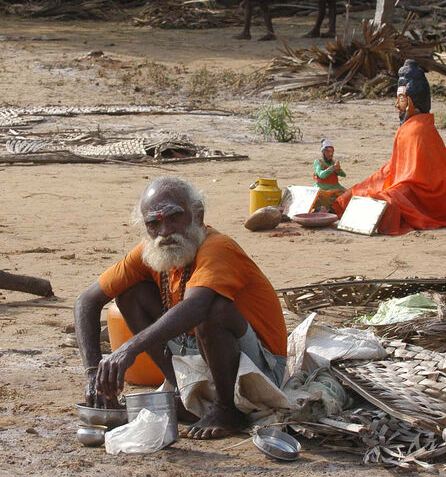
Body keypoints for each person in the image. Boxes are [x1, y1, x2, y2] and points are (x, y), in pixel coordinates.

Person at [74, 176, 287, 440]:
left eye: (174, 218)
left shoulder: (218, 247)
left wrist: (129, 348)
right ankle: (182, 390)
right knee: (130, 294)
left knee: (212, 310)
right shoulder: (150, 253)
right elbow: (86, 301)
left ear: (198, 215)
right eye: (154, 223)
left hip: (263, 370)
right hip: (206, 355)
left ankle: (227, 409)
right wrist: (92, 373)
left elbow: (196, 307)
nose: (165, 232)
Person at [332, 60, 446, 235]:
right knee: (367, 188)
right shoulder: (414, 127)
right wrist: (352, 193)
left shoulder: (418, 130)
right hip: (412, 185)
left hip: (431, 197)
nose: (396, 105)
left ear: (411, 103)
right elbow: (394, 169)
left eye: (400, 100)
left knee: (387, 197)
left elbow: (413, 179)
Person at [313, 139, 345, 210]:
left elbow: (344, 175)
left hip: (335, 187)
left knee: (347, 194)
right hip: (322, 188)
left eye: (331, 152)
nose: (330, 154)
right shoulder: (318, 162)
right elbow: (322, 175)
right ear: (323, 152)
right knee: (323, 199)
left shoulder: (333, 162)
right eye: (328, 152)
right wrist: (331, 169)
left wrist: (338, 170)